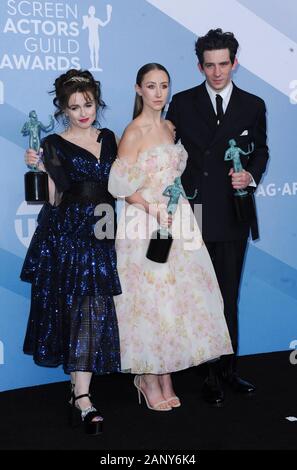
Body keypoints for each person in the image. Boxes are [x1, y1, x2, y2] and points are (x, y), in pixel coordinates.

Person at [108, 63, 233, 412]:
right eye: (151, 86)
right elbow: (119, 187)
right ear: (138, 90)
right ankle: (148, 376)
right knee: (149, 299)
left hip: (179, 220)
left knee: (177, 298)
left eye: (164, 85)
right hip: (145, 223)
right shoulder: (133, 132)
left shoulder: (169, 127)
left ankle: (166, 375)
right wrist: (152, 209)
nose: (159, 93)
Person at [166, 28, 269, 405]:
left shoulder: (253, 105)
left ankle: (228, 369)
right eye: (209, 65)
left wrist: (250, 175)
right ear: (199, 66)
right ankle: (207, 372)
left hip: (232, 212)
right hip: (194, 211)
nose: (217, 72)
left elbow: (261, 151)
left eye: (223, 64)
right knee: (199, 295)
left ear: (234, 63)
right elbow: (165, 152)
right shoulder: (181, 103)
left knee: (227, 293)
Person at [20, 69, 122, 434]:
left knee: (94, 308)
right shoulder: (54, 142)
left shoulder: (109, 138)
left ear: (97, 102)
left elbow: (119, 184)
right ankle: (82, 397)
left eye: (88, 104)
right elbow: (54, 197)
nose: (83, 112)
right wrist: (41, 167)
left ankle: (80, 391)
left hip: (104, 227)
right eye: (74, 106)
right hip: (68, 233)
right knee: (80, 309)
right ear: (63, 109)